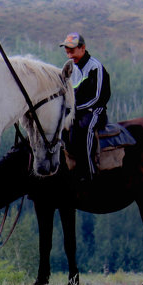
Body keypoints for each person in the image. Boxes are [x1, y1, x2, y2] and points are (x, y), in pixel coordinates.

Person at [60, 33, 111, 182]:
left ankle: (89, 170)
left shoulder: (96, 67)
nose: (69, 54)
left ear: (83, 48)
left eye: (72, 50)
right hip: (76, 111)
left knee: (85, 127)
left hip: (95, 110)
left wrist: (75, 109)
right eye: (67, 51)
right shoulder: (70, 68)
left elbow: (98, 97)